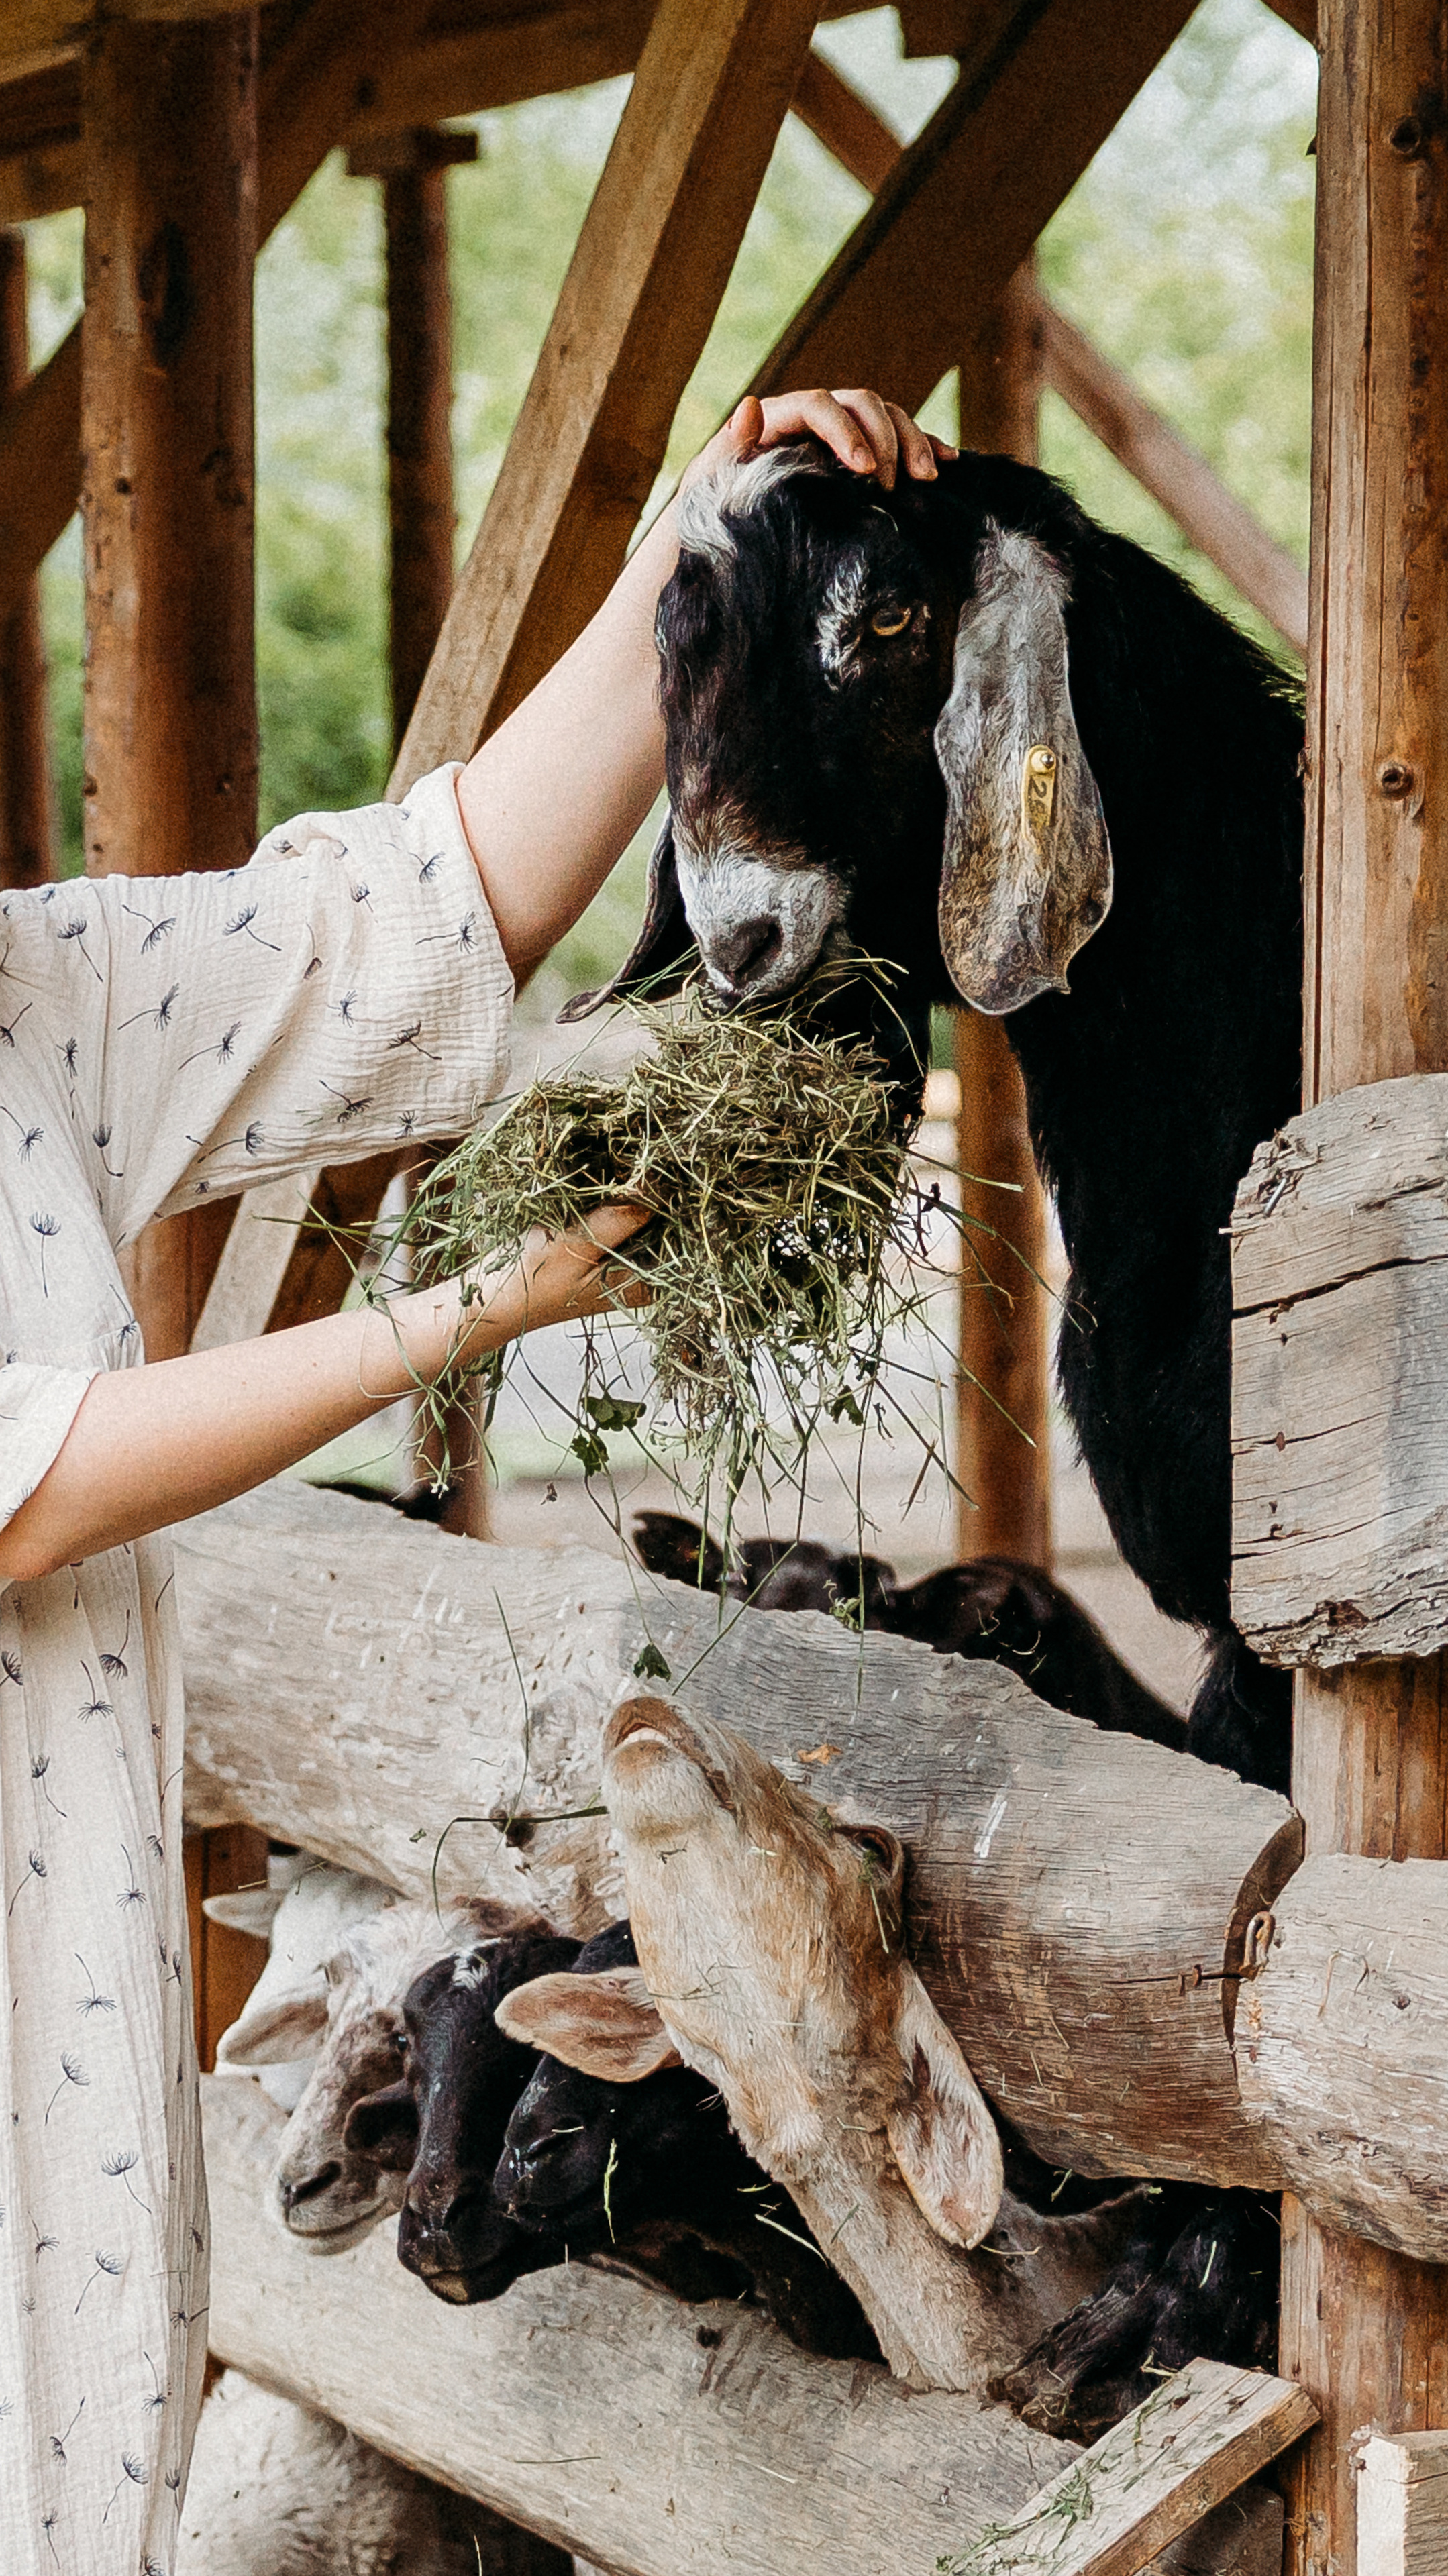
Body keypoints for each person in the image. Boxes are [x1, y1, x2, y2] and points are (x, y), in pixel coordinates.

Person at [0, 386, 949, 2575]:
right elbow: (28, 1481)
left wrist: (689, 558)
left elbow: (414, 910)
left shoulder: (31, 990)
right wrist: (473, 1312)